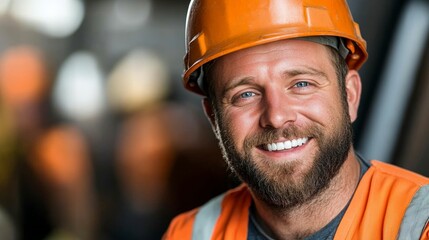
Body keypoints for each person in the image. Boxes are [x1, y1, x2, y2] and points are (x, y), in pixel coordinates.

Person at [164, 0, 429, 239]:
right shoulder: (189, 234)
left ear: (350, 95)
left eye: (301, 84)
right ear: (214, 119)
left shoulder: (421, 225)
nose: (277, 117)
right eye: (245, 94)